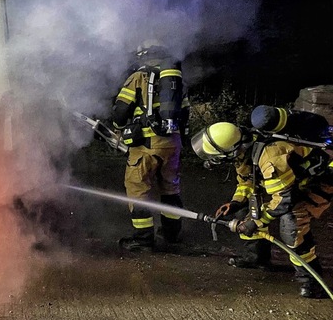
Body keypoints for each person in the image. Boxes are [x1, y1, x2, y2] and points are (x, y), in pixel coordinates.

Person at [192, 117, 333, 298]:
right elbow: (247, 183)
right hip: (289, 185)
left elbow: (284, 200)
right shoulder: (243, 150)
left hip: (317, 183)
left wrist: (256, 222)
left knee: (292, 226)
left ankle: (312, 283)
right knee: (246, 210)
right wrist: (236, 202)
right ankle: (256, 257)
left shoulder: (270, 157)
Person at [111, 40, 189, 251]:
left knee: (138, 189)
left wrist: (119, 127)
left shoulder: (139, 77)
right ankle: (172, 234)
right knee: (170, 189)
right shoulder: (177, 82)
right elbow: (185, 114)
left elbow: (121, 112)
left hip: (146, 146)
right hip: (173, 144)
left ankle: (144, 238)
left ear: (143, 56)